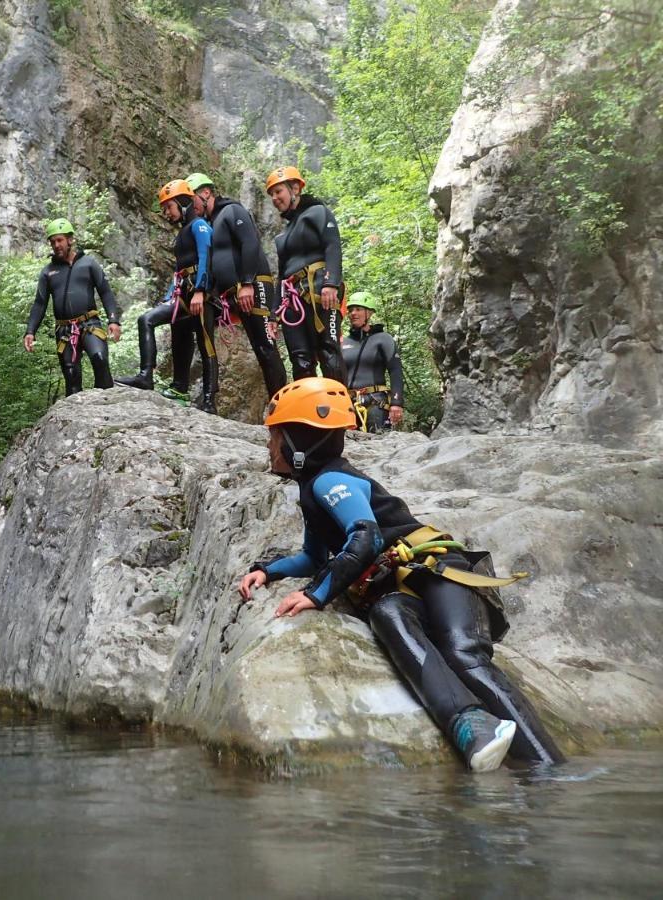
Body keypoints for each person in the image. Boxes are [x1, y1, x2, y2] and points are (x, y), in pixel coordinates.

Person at [237, 378, 564, 772]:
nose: (270, 447)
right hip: (400, 588)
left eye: (274, 438)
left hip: (439, 570)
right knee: (386, 616)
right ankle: (471, 724)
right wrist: (267, 572)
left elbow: (365, 536)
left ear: (297, 444)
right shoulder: (314, 490)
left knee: (464, 655)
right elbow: (313, 555)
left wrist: (315, 595)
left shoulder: (331, 481)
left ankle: (548, 770)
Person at [186, 172, 288, 414]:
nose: (191, 207)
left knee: (266, 347)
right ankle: (279, 406)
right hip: (237, 292)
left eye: (192, 200)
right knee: (259, 348)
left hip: (254, 286)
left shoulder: (232, 211)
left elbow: (250, 243)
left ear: (206, 193)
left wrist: (247, 282)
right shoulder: (213, 222)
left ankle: (284, 406)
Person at [116, 179, 206, 402]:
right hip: (183, 294)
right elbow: (178, 272)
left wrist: (200, 290)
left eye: (169, 207)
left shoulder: (199, 226)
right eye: (164, 208)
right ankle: (179, 388)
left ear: (184, 203)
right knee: (180, 337)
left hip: (195, 294)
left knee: (145, 320)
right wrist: (168, 297)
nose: (166, 213)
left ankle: (146, 376)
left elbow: (206, 257)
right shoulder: (184, 233)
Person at [266, 166, 347, 384]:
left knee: (328, 350)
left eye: (278, 191)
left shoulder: (318, 212)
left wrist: (331, 283)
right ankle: (308, 412)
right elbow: (281, 276)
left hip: (320, 290)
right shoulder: (283, 235)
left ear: (295, 188)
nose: (274, 198)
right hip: (292, 300)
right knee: (299, 358)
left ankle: (341, 409)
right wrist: (273, 314)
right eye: (271, 194)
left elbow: (333, 247)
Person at [24, 218, 122, 396]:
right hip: (64, 330)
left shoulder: (89, 264)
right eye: (53, 242)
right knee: (71, 374)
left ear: (70, 240)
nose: (56, 245)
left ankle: (107, 405)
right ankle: (78, 417)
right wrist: (30, 331)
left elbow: (105, 292)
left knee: (99, 359)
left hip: (90, 324)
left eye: (60, 240)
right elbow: (40, 303)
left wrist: (113, 320)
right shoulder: (48, 272)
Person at [341, 291, 405, 432]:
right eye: (350, 310)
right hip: (348, 404)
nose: (353, 313)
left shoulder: (383, 339)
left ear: (369, 313)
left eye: (358, 309)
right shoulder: (343, 343)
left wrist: (396, 402)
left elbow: (395, 371)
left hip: (376, 402)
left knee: (378, 443)